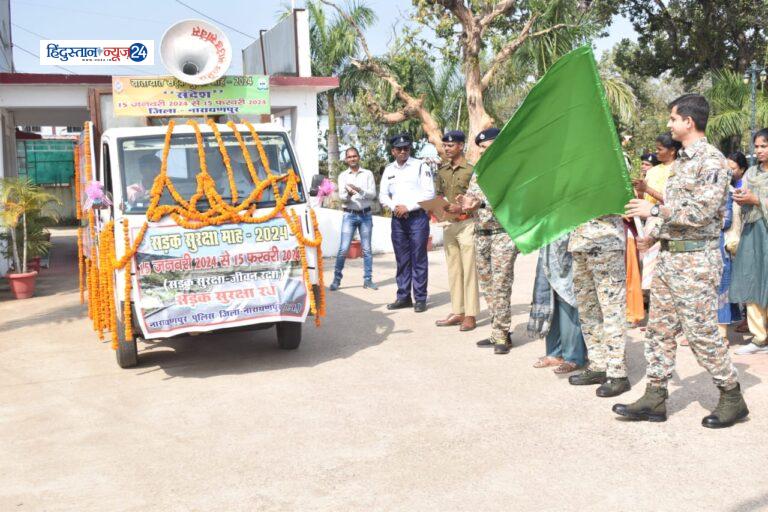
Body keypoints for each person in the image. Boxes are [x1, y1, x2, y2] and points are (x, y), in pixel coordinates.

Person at [618, 93, 748, 428]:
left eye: (673, 118)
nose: (669, 124)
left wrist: (654, 210)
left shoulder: (712, 161)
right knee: (659, 330)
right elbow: (678, 207)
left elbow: (702, 212)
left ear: (689, 122)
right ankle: (655, 396)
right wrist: (655, 232)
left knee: (701, 331)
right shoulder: (683, 162)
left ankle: (732, 396)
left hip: (696, 261)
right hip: (671, 257)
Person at [458, 128, 519, 355]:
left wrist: (480, 205)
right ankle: (497, 330)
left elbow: (510, 201)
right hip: (481, 233)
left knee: (501, 284)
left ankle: (503, 334)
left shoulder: (509, 170)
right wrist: (463, 203)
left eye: (488, 147)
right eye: (481, 148)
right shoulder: (479, 171)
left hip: (502, 233)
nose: (484, 152)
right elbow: (474, 197)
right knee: (488, 286)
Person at [566, 214, 630, 397]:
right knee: (588, 310)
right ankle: (598, 365)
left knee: (612, 310)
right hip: (579, 242)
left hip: (606, 243)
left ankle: (618, 374)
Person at [379, 133, 435, 313]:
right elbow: (382, 195)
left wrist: (408, 207)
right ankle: (403, 297)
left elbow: (429, 194)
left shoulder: (420, 166)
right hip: (398, 220)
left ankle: (420, 298)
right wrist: (395, 206)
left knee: (418, 258)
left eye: (407, 148)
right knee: (402, 259)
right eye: (400, 149)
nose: (403, 151)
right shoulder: (389, 169)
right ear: (393, 151)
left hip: (417, 217)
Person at [434, 130, 479, 331]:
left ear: (461, 146)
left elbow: (477, 199)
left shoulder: (471, 171)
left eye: (450, 145)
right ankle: (457, 311)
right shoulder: (442, 171)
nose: (447, 148)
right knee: (454, 270)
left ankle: (470, 315)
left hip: (467, 223)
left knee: (469, 270)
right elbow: (438, 195)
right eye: (445, 145)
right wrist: (437, 209)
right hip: (448, 225)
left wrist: (462, 208)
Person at [732, 129, 768, 355]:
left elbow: (757, 199)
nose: (759, 151)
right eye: (756, 146)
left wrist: (757, 200)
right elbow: (746, 198)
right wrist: (742, 199)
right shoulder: (752, 172)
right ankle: (759, 337)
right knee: (752, 278)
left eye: (763, 146)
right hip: (753, 231)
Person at [529, 234, 587, 373]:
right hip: (550, 244)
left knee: (568, 302)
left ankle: (573, 357)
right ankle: (555, 353)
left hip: (571, 244)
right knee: (549, 299)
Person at [330, 147, 378, 291]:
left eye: (354, 156)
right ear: (346, 159)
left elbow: (373, 194)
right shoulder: (343, 176)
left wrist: (359, 190)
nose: (352, 159)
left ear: (358, 157)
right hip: (349, 215)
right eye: (349, 157)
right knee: (343, 249)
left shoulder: (367, 174)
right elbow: (342, 198)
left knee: (367, 249)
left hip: (366, 215)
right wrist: (349, 195)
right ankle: (336, 280)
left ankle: (368, 280)